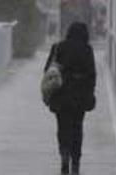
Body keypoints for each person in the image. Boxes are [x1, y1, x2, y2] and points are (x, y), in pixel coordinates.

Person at [44, 21, 96, 174]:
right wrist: (90, 93)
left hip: (61, 95)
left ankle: (64, 155)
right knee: (77, 128)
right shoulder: (87, 50)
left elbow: (48, 70)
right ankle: (76, 163)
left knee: (62, 127)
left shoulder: (59, 47)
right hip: (79, 97)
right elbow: (92, 75)